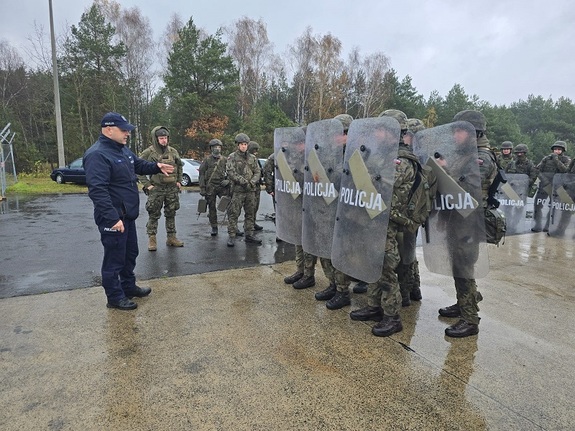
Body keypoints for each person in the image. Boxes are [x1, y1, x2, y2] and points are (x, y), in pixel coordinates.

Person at [84, 112, 174, 310]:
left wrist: (156, 167)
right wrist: (112, 218)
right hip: (113, 218)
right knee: (114, 259)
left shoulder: (122, 150)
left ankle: (128, 286)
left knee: (129, 253)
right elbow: (98, 191)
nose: (127, 134)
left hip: (127, 216)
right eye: (123, 130)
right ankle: (115, 298)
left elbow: (139, 165)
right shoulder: (97, 154)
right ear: (109, 129)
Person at [349, 109, 416, 337]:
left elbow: (383, 185)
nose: (377, 133)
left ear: (394, 132)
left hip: (390, 221)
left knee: (387, 268)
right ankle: (374, 306)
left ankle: (392, 317)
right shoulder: (382, 154)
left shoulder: (402, 160)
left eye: (382, 129)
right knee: (373, 264)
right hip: (374, 218)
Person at [437, 110, 498, 338]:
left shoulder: (482, 157)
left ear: (475, 132)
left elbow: (469, 188)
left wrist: (445, 169)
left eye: (460, 130)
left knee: (464, 267)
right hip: (458, 219)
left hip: (471, 222)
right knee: (459, 265)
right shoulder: (465, 154)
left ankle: (470, 319)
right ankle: (464, 302)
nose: (455, 134)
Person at [138, 126, 184, 251]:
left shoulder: (173, 151)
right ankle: (152, 240)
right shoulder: (149, 152)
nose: (164, 140)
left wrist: (179, 181)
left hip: (171, 189)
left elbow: (179, 166)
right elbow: (138, 169)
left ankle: (171, 238)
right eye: (161, 138)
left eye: (166, 138)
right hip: (156, 188)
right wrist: (147, 185)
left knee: (171, 213)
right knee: (154, 214)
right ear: (156, 139)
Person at [225, 133, 262, 247]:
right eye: (241, 144)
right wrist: (243, 181)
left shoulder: (252, 158)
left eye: (245, 144)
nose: (244, 146)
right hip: (238, 191)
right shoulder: (232, 157)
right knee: (234, 213)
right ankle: (232, 235)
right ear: (237, 145)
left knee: (250, 213)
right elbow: (231, 172)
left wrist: (252, 182)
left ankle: (249, 234)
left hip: (250, 190)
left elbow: (257, 171)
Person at [532, 141, 571, 232]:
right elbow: (537, 170)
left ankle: (548, 225)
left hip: (557, 187)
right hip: (545, 186)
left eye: (559, 149)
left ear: (563, 150)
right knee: (537, 205)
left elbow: (565, 171)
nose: (556, 151)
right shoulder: (546, 159)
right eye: (555, 149)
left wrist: (556, 159)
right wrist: (544, 180)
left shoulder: (566, 160)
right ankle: (537, 224)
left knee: (553, 207)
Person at [198, 139, 230, 236]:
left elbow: (231, 171)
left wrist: (228, 180)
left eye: (219, 147)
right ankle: (214, 227)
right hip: (210, 186)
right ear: (211, 148)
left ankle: (233, 227)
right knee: (211, 208)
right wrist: (202, 188)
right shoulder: (207, 160)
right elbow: (202, 174)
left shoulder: (225, 160)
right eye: (215, 147)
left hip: (221, 186)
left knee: (228, 205)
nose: (217, 149)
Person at [247, 141, 264, 232]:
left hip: (257, 186)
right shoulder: (246, 158)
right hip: (249, 186)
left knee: (255, 206)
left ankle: (253, 223)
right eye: (254, 150)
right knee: (249, 208)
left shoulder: (255, 159)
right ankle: (248, 225)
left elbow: (259, 171)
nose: (256, 152)